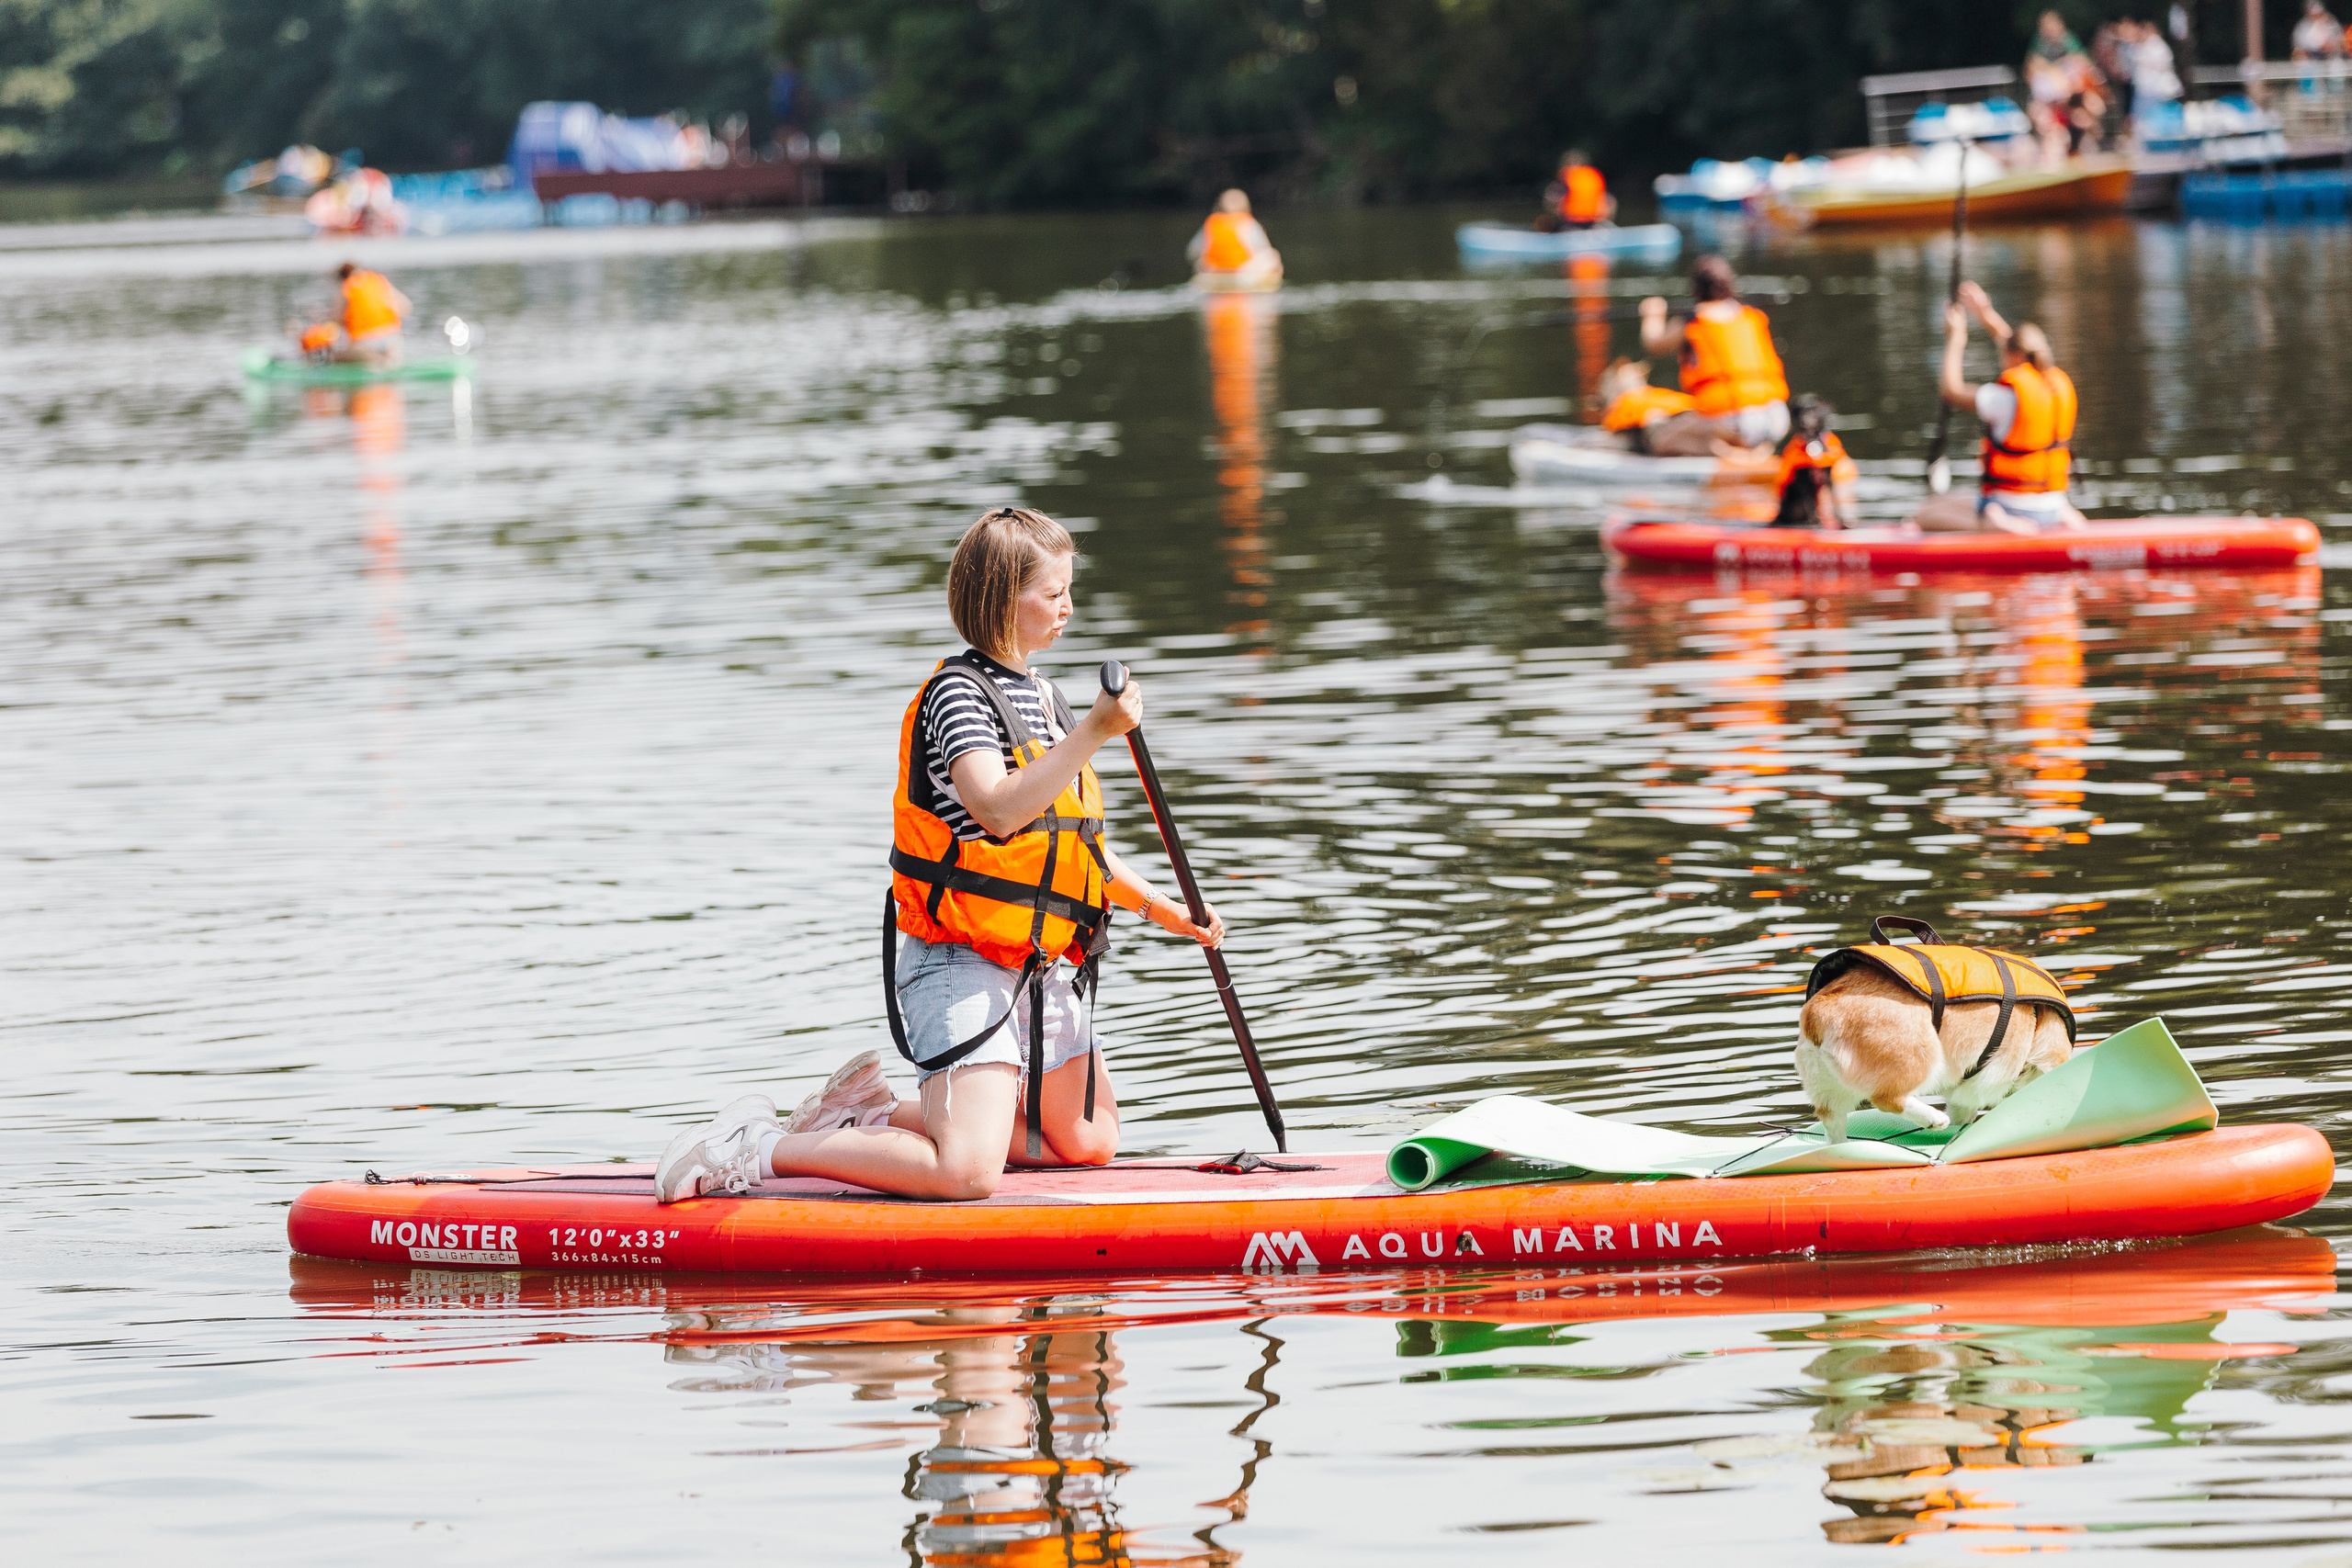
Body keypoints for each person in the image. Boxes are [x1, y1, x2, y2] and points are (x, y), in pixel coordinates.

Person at [654, 506, 1226, 1204]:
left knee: (1089, 1140)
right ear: (998, 599)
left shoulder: (1048, 697)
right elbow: (998, 808)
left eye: (1069, 590)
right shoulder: (958, 693)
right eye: (1053, 593)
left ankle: (868, 1113)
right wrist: (1098, 734)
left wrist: (1170, 912)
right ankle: (755, 1148)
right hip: (961, 958)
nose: (1069, 607)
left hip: (1039, 962)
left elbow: (1076, 850)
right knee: (967, 1173)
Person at [1912, 282, 2087, 536]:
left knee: (1924, 513)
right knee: (1945, 502)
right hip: (2054, 502)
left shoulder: (2005, 397)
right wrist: (1985, 314)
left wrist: (1956, 339)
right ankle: (2063, 517)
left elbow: (1951, 390)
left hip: (2011, 505)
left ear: (2014, 356)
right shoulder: (2056, 383)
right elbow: (2013, 343)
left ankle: (1995, 525)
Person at [1639, 254, 1792, 457]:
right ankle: (1754, 451)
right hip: (1777, 419)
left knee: (1660, 440)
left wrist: (1652, 314)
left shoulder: (1694, 320)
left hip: (1737, 421)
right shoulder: (1750, 315)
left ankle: (1729, 455)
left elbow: (1654, 344)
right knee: (1701, 424)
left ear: (1695, 288)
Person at [1768, 395, 1860, 529]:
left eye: (1811, 414)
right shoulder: (1796, 447)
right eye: (1802, 414)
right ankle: (1813, 522)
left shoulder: (1830, 443)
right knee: (1802, 489)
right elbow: (1796, 487)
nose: (1805, 419)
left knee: (1836, 483)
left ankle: (1843, 519)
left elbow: (1829, 483)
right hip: (1793, 507)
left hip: (1819, 509)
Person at [1187, 189, 1283, 288]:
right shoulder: (1248, 223)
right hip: (1242, 274)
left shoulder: (1211, 224)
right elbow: (1263, 248)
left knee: (1201, 261)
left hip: (1214, 272)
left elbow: (1192, 253)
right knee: (1273, 256)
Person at [334, 261, 410, 365]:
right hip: (392, 340)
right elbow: (406, 307)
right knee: (390, 361)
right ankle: (388, 360)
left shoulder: (348, 286)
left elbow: (337, 319)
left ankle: (376, 360)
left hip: (364, 344)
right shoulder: (378, 280)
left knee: (337, 356)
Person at [1538, 150, 1614, 231]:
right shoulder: (1594, 176)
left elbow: (1552, 200)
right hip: (1595, 222)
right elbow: (1610, 201)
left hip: (1571, 223)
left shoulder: (1567, 176)